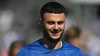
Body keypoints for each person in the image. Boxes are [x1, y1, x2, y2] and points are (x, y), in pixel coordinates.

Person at [17, 2, 83, 56]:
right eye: (51, 23)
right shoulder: (26, 52)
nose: (56, 28)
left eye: (60, 23)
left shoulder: (74, 53)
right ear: (41, 22)